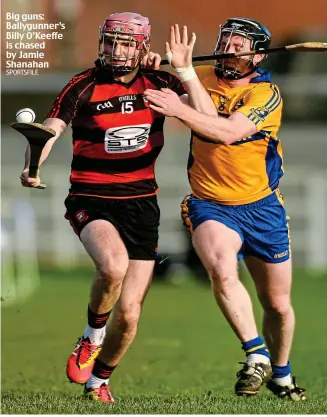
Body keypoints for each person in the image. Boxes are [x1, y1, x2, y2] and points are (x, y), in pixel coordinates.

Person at [20, 12, 185, 403]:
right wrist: (34, 165)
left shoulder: (160, 81)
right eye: (111, 41)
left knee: (129, 315)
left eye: (126, 43)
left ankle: (99, 382)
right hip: (91, 197)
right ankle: (91, 337)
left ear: (142, 46)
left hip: (142, 203)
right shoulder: (82, 85)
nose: (116, 49)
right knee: (112, 265)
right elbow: (52, 128)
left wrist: (181, 71)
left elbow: (204, 115)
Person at [144, 19, 306, 401]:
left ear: (258, 55)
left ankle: (281, 376)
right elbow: (155, 89)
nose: (229, 50)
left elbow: (226, 131)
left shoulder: (266, 94)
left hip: (262, 208)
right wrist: (152, 67)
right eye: (225, 42)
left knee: (278, 307)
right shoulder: (197, 75)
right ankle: (255, 353)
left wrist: (182, 87)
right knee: (220, 267)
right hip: (210, 203)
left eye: (239, 46)